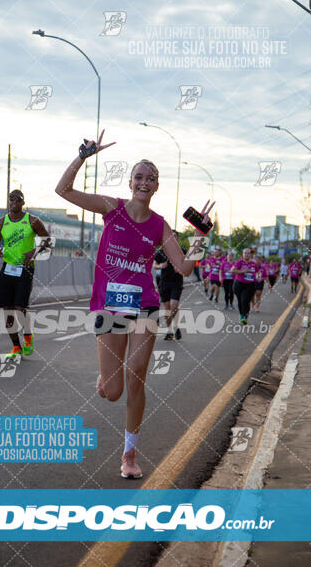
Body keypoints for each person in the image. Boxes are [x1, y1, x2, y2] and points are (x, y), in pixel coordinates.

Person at [55, 130, 213, 479]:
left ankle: (129, 454)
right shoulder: (111, 208)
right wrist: (82, 156)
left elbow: (184, 267)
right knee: (113, 391)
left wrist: (201, 237)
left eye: (151, 178)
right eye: (139, 177)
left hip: (144, 305)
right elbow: (62, 191)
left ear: (156, 187)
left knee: (136, 375)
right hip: (110, 306)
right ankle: (105, 377)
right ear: (130, 183)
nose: (145, 182)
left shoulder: (160, 225)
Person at [0, 190, 50, 358]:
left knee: (19, 308)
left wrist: (34, 251)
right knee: (6, 309)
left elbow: (47, 239)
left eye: (18, 200)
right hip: (8, 267)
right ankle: (16, 347)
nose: (14, 202)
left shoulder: (33, 221)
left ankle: (28, 335)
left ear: (23, 203)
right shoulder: (0, 223)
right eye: (11, 199)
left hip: (26, 268)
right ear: (8, 201)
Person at [154, 230, 184, 341]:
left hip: (177, 282)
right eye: (171, 236)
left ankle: (176, 326)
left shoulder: (182, 251)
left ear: (178, 238)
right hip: (164, 283)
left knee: (174, 305)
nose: (173, 238)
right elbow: (154, 264)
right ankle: (170, 330)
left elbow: (188, 264)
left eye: (175, 236)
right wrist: (161, 266)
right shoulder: (162, 251)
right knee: (167, 309)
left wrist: (182, 268)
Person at [231, 248, 259, 325]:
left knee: (245, 300)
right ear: (243, 254)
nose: (247, 254)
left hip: (250, 285)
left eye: (248, 253)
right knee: (240, 301)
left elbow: (257, 272)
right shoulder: (239, 262)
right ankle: (241, 315)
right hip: (239, 284)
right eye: (245, 253)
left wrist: (258, 277)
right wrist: (243, 271)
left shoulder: (253, 264)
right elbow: (232, 271)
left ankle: (245, 317)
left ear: (250, 254)